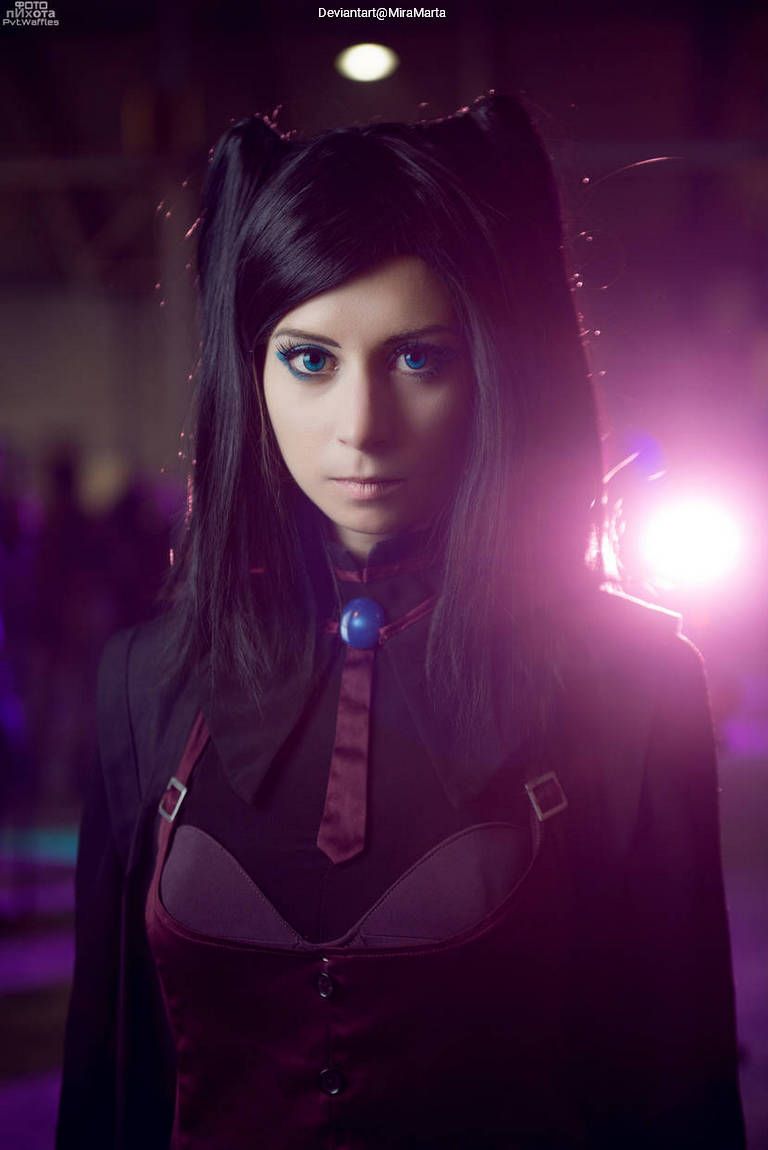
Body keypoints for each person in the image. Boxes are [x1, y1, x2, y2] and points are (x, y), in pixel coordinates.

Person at [56, 92, 745, 1149]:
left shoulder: (633, 683)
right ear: (252, 372)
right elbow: (107, 1092)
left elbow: (679, 1095)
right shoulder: (146, 683)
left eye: (418, 356)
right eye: (310, 358)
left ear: (493, 372)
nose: (362, 427)